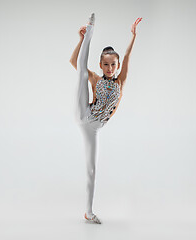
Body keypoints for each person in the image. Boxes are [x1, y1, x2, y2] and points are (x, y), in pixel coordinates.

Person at [69, 13, 142, 224]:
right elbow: (74, 62)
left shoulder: (121, 82)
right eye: (106, 65)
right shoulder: (95, 78)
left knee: (92, 170)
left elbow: (127, 57)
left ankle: (88, 212)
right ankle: (90, 30)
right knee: (82, 73)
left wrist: (133, 36)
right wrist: (82, 39)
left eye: (113, 65)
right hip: (83, 113)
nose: (110, 68)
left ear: (117, 66)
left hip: (94, 129)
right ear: (101, 65)